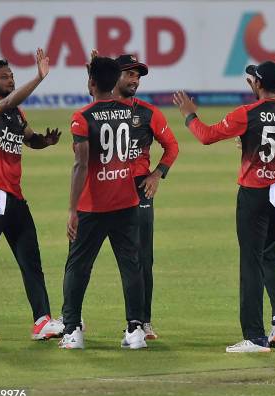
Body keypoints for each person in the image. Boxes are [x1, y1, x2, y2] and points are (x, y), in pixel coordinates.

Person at [173, 61, 275, 353]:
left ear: (257, 84)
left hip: (255, 194)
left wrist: (189, 115)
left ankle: (254, 336)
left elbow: (206, 136)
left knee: (251, 262)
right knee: (269, 254)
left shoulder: (247, 114)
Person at [0, 49, 63, 341]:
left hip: (14, 196)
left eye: (11, 75)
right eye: (3, 77)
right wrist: (38, 78)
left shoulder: (16, 114)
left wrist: (45, 141)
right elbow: (8, 101)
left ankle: (42, 321)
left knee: (30, 258)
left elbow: (29, 139)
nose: (9, 79)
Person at [59, 56, 146, 350]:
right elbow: (105, 98)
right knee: (130, 266)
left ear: (91, 82)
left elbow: (81, 164)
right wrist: (96, 71)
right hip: (126, 202)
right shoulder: (129, 111)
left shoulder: (81, 117)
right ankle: (136, 331)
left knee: (78, 267)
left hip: (92, 207)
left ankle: (72, 331)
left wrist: (72, 210)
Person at [113, 53, 179, 340]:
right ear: (114, 77)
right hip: (106, 188)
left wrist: (156, 174)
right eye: (129, 73)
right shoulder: (101, 109)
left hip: (139, 188)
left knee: (142, 258)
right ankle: (72, 322)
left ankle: (143, 321)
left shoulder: (149, 112)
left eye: (138, 75)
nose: (135, 79)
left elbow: (172, 146)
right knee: (82, 257)